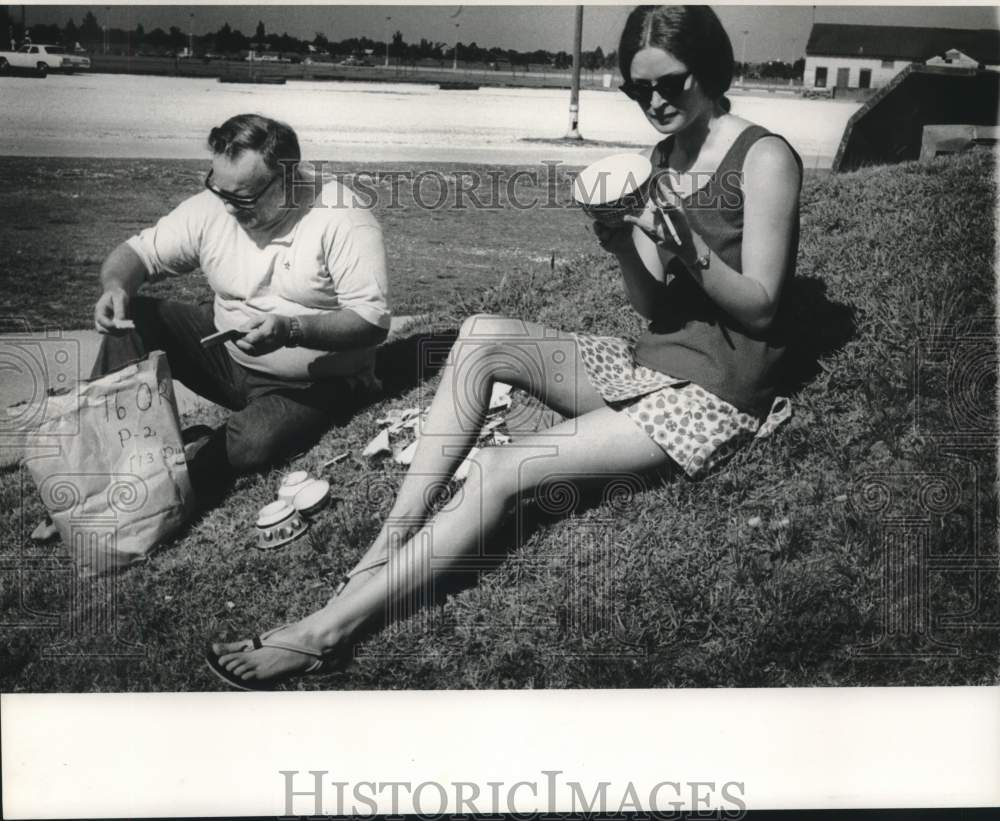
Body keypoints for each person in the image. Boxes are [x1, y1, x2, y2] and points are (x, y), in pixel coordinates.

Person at [206, 5, 802, 689]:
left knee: (499, 468)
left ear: (711, 65)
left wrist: (687, 244)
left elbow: (762, 306)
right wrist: (622, 243)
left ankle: (322, 633)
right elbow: (657, 305)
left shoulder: (764, 156)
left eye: (671, 83)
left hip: (718, 390)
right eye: (640, 91)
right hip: (660, 358)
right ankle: (387, 544)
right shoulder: (659, 161)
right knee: (483, 332)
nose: (656, 103)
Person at [92, 114, 391, 504]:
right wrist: (115, 287)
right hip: (224, 354)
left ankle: (180, 469)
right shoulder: (218, 204)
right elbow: (138, 253)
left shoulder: (343, 218)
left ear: (287, 180)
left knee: (254, 444)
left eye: (243, 198)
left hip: (312, 383)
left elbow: (372, 321)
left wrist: (291, 330)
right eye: (219, 190)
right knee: (135, 320)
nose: (229, 208)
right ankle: (106, 466)